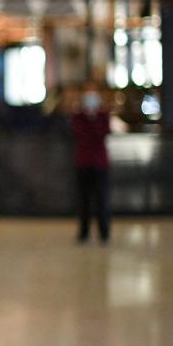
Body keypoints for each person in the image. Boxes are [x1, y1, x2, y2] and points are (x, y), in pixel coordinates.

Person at [71, 81, 111, 244]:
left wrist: (94, 118)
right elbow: (79, 134)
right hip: (83, 162)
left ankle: (104, 232)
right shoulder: (78, 115)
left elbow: (103, 133)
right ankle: (84, 232)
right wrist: (87, 117)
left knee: (102, 198)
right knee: (84, 199)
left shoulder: (103, 114)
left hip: (100, 163)